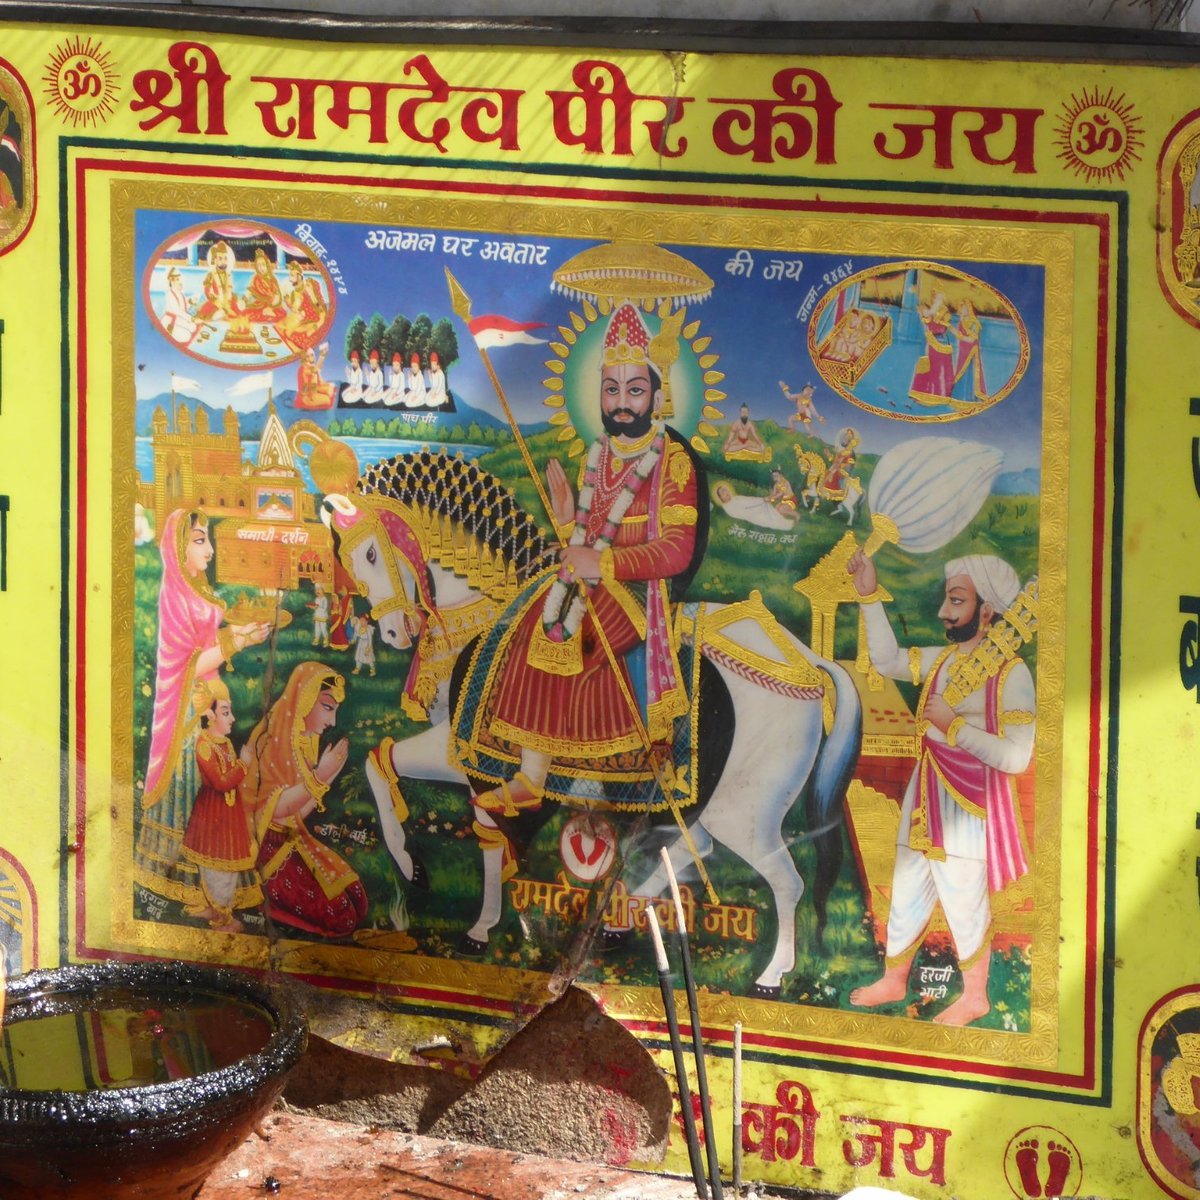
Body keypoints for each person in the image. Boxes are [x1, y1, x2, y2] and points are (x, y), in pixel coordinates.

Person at [455, 301, 705, 843]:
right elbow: (589, 539)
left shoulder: (672, 461)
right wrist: (570, 520)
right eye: (610, 390)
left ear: (657, 396)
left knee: (570, 643)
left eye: (634, 390)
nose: (621, 402)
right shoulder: (598, 456)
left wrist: (605, 561)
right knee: (528, 623)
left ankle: (544, 773)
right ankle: (532, 775)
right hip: (591, 580)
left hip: (640, 594)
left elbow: (678, 550)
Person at [846, 551, 1035, 1026]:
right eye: (946, 600)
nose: (943, 613)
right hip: (925, 789)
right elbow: (886, 659)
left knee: (962, 892)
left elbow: (1016, 756)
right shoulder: (944, 661)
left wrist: (954, 729)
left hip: (970, 802)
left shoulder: (1012, 674)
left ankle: (974, 996)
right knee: (909, 885)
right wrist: (868, 593)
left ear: (987, 609)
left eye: (956, 601)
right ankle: (894, 978)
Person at [136, 510, 270, 904]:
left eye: (207, 539)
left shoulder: (197, 590)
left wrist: (240, 633)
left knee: (217, 806)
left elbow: (205, 644)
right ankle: (186, 891)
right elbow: (187, 665)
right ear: (179, 547)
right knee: (197, 799)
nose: (209, 549)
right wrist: (237, 643)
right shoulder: (174, 595)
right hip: (189, 717)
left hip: (210, 710)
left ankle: (214, 893)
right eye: (199, 540)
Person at [242, 662, 367, 937]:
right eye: (327, 707)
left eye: (335, 711)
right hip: (265, 852)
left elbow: (299, 812)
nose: (332, 721)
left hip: (292, 839)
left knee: (358, 899)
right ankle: (260, 901)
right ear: (305, 699)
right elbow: (274, 810)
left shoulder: (303, 741)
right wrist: (321, 775)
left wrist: (329, 775)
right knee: (343, 917)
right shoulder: (272, 736)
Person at [180, 678, 257, 933]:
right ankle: (220, 915)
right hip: (212, 814)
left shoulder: (225, 743)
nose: (232, 718)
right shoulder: (204, 745)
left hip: (228, 815)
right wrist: (244, 764)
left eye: (230, 711)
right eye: (225, 712)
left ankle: (220, 909)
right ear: (210, 714)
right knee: (214, 864)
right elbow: (222, 783)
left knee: (227, 863)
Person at [909, 292, 958, 405]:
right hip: (931, 341)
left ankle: (938, 396)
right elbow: (929, 322)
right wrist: (923, 315)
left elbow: (940, 328)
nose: (934, 298)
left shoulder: (945, 312)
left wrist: (928, 320)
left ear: (942, 298)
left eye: (937, 297)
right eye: (934, 297)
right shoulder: (932, 310)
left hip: (940, 343)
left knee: (938, 369)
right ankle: (922, 393)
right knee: (926, 365)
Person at [240, 248, 285, 324]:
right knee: (245, 313)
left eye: (263, 265)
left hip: (272, 305)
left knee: (279, 314)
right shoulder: (255, 278)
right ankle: (266, 315)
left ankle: (269, 315)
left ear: (267, 265)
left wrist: (270, 307)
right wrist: (243, 300)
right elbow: (249, 292)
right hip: (259, 305)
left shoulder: (272, 279)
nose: (261, 268)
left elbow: (277, 296)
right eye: (259, 265)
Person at [295, 343, 336, 410]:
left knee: (330, 390)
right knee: (328, 400)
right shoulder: (304, 369)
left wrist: (329, 385)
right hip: (307, 397)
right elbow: (316, 369)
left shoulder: (313, 367)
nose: (310, 358)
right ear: (304, 358)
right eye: (307, 356)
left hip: (314, 390)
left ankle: (321, 394)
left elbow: (321, 382)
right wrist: (322, 355)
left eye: (312, 355)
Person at [311, 581, 331, 647]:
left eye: (319, 590)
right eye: (316, 590)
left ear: (323, 590)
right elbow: (315, 607)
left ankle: (325, 639)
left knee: (323, 627)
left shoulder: (324, 599)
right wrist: (313, 607)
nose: (318, 591)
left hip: (322, 616)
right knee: (317, 627)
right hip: (317, 615)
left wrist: (317, 607)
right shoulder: (316, 599)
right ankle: (317, 638)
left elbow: (324, 608)